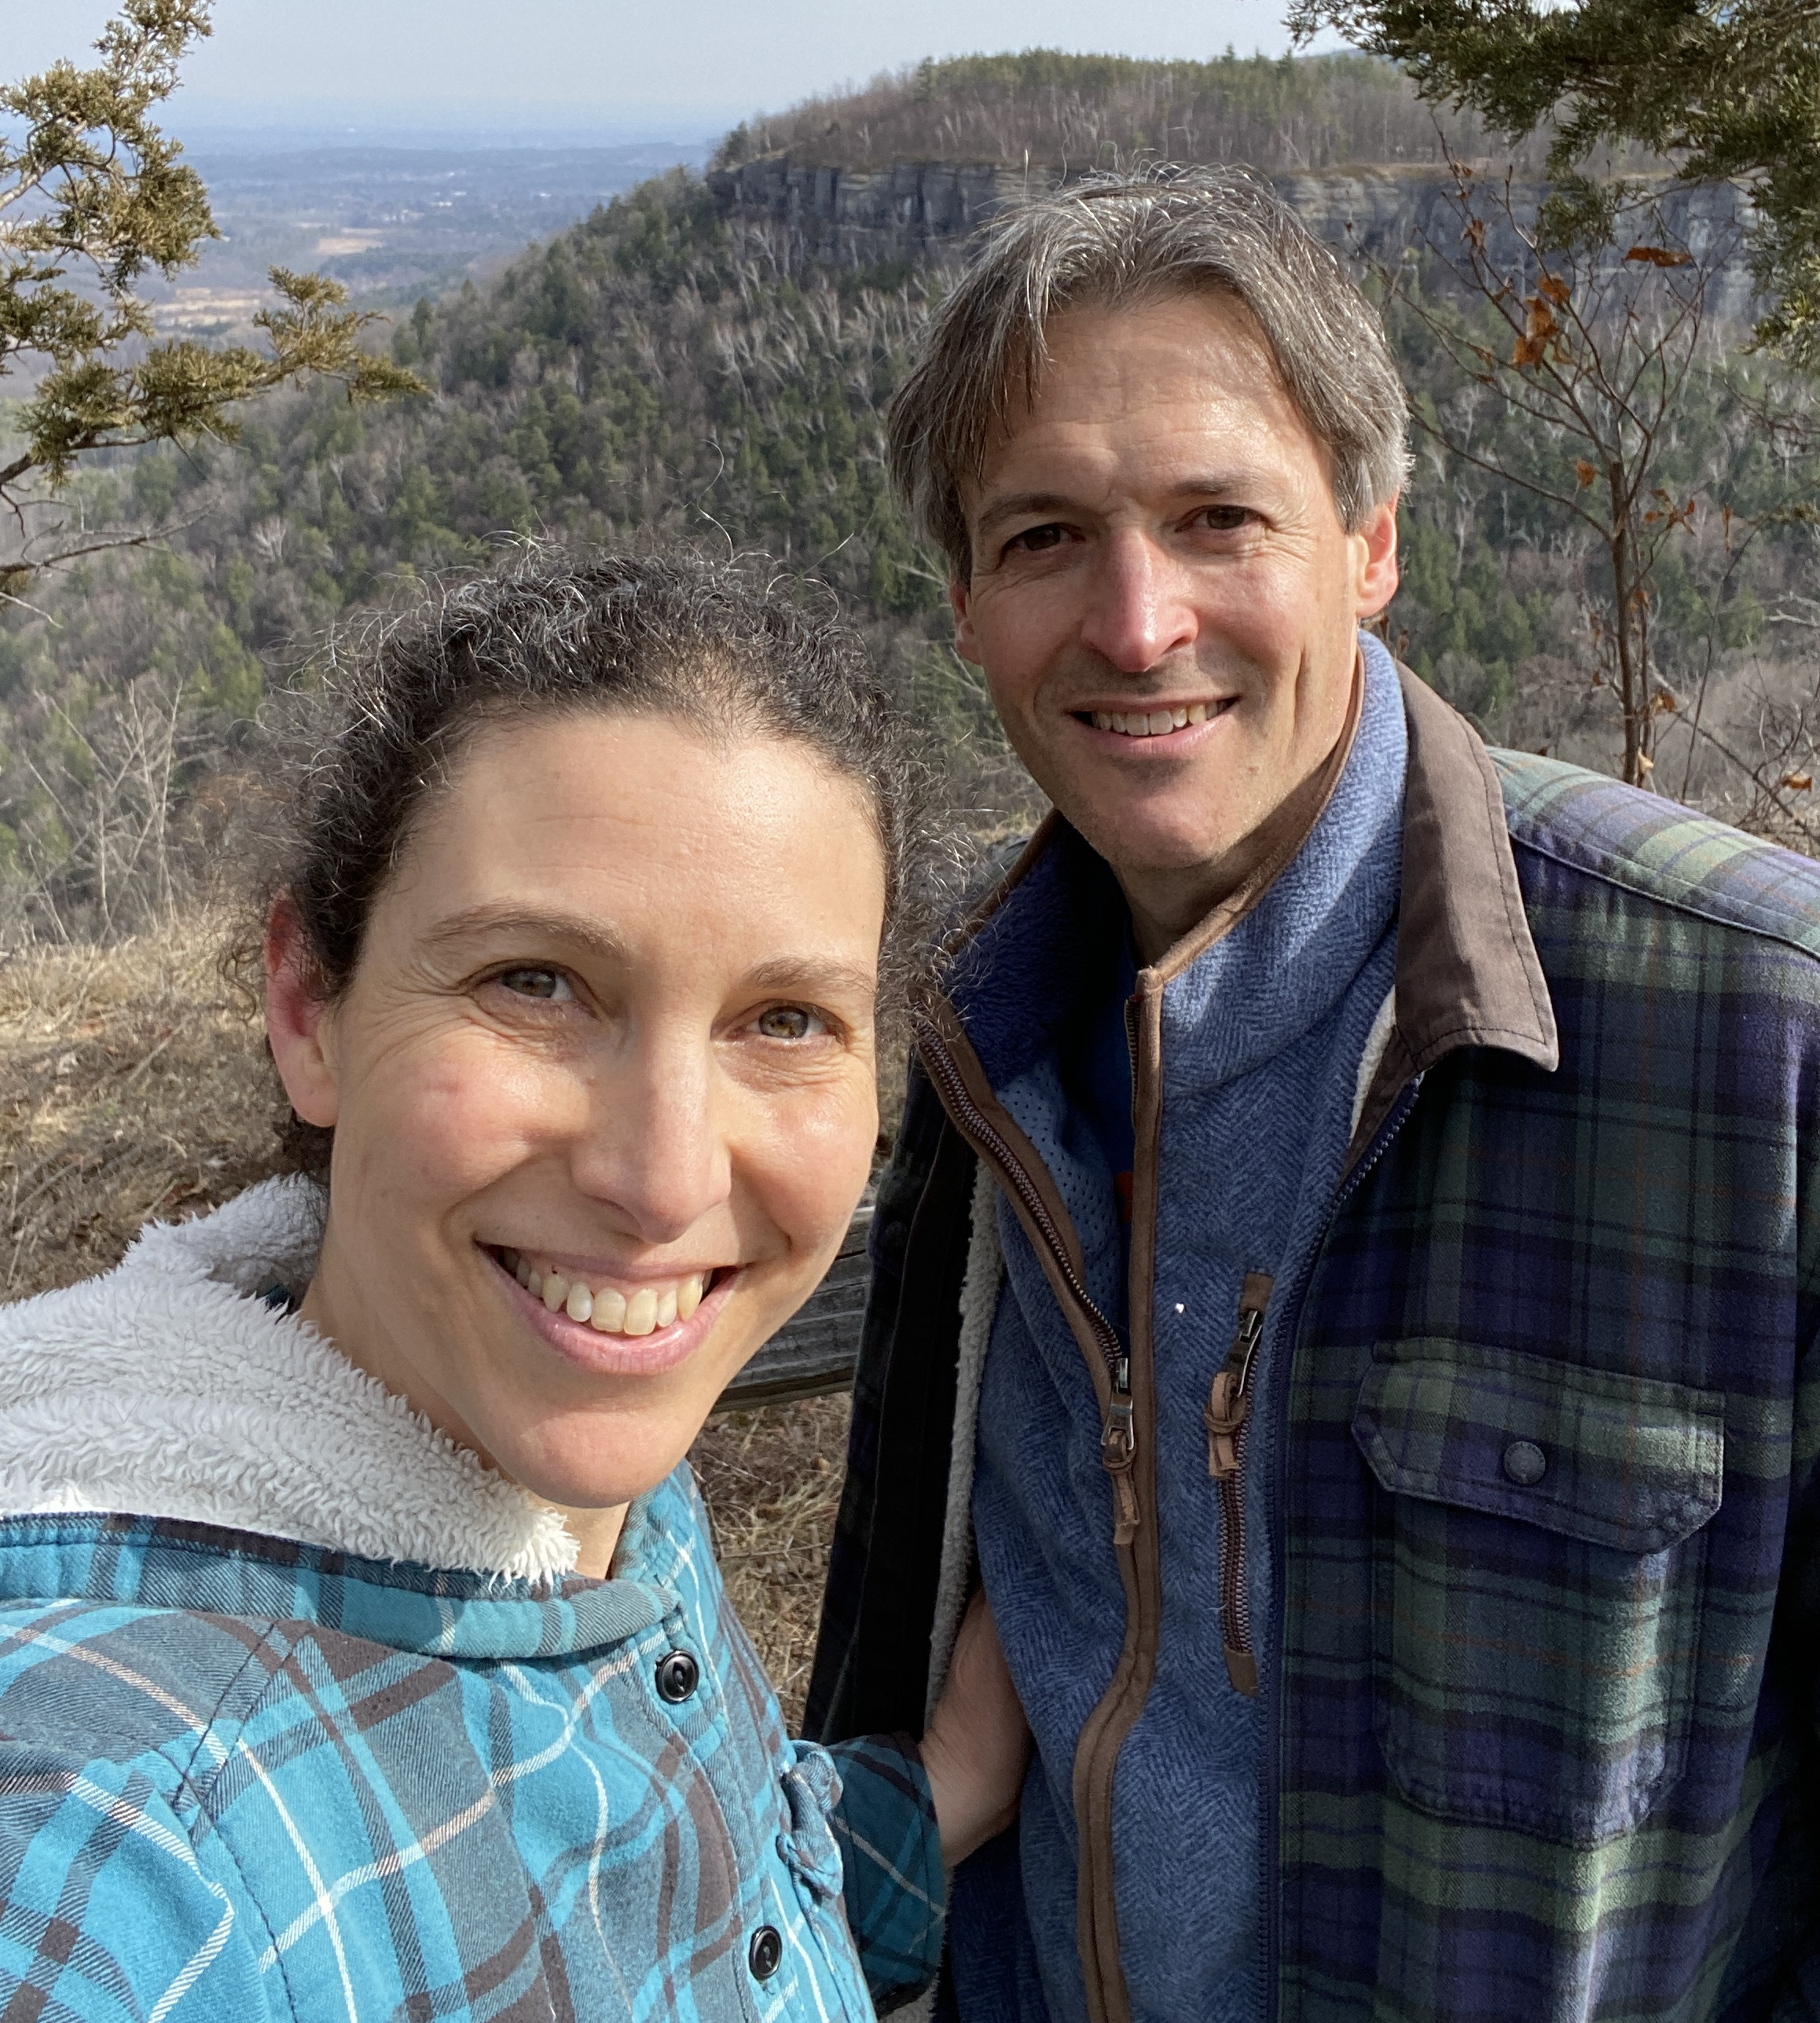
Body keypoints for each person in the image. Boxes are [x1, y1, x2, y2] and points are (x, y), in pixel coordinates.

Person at [807, 172, 1820, 2022]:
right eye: (1045, 536)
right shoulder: (986, 1030)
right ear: (964, 598)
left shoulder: (1755, 1035)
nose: (1135, 620)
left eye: (1219, 519)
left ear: (1370, 542)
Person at [0, 551, 1028, 2023]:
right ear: (310, 1011)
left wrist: (936, 1801)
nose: (665, 1180)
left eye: (786, 1018)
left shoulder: (566, 1489)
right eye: (535, 983)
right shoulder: (112, 1836)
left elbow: (664, 1860)